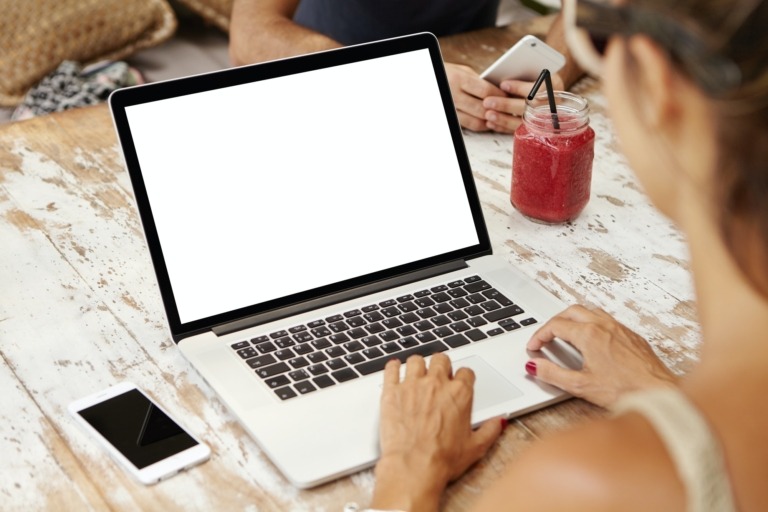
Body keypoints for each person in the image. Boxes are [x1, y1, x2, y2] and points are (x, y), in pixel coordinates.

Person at [366, 0, 768, 510]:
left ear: (652, 78)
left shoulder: (585, 486)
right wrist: (662, 394)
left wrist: (404, 473)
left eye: (596, 43)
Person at [228, 0, 583, 134]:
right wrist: (404, 76)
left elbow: (601, 7)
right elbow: (249, 34)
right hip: (324, 93)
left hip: (471, 94)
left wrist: (557, 67)